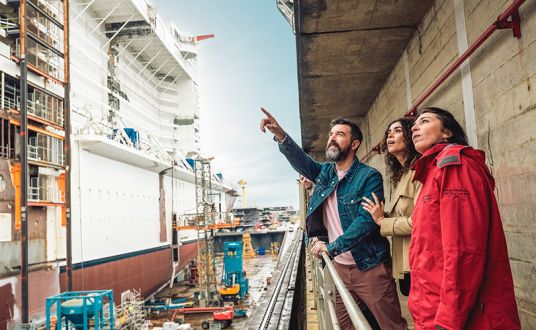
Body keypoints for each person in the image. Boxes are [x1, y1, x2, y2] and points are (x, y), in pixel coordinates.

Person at [260, 107, 407, 330]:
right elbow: (302, 162)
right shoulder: (326, 173)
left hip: (369, 267)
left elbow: (366, 221)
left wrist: (333, 247)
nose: (332, 139)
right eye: (331, 134)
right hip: (339, 267)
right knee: (344, 325)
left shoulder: (369, 176)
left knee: (390, 325)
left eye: (339, 134)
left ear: (354, 143)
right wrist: (280, 134)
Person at [408, 107, 521, 329]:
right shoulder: (431, 173)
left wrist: (449, 318)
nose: (414, 127)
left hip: (459, 316)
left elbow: (463, 249)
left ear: (446, 133)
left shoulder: (453, 165)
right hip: (433, 307)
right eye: (414, 124)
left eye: (425, 121)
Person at [361, 117, 420, 296]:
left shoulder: (419, 171)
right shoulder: (403, 175)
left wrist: (382, 221)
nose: (390, 136)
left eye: (398, 131)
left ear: (410, 136)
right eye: (389, 133)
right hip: (405, 260)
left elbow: (421, 221)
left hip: (418, 260)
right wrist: (381, 215)